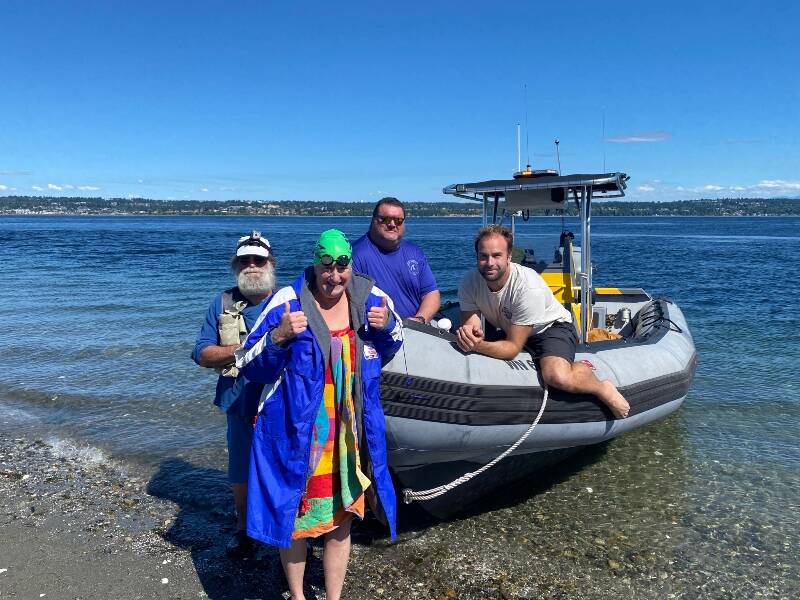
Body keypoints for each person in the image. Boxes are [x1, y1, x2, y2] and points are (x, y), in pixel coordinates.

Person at [235, 229, 402, 600]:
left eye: (342, 265)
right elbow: (247, 362)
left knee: (341, 517)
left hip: (348, 430)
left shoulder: (370, 296)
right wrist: (278, 337)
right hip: (298, 432)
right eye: (327, 266)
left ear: (350, 265)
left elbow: (394, 342)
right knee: (293, 517)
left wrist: (388, 326)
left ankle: (333, 597)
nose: (335, 276)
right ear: (315, 263)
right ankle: (297, 595)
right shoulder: (289, 299)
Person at [456, 224, 630, 419]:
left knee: (556, 376)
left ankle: (600, 387)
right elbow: (471, 327)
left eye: (497, 255)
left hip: (550, 328)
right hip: (509, 325)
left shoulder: (527, 287)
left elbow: (512, 348)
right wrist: (471, 335)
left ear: (509, 257)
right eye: (483, 256)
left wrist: (478, 346)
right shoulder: (469, 282)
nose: (490, 262)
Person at [192, 230, 276, 558]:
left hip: (280, 402)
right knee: (241, 468)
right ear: (235, 265)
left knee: (286, 463)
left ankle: (291, 523)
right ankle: (244, 528)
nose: (252, 266)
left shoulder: (289, 301)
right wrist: (242, 350)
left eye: (259, 259)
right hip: (239, 400)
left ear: (271, 263)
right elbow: (201, 353)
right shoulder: (223, 302)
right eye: (245, 260)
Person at [351, 197, 440, 323]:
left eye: (398, 220)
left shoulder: (414, 252)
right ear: (373, 219)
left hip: (417, 326)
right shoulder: (355, 255)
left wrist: (419, 320)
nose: (392, 224)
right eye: (385, 219)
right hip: (377, 334)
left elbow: (431, 293)